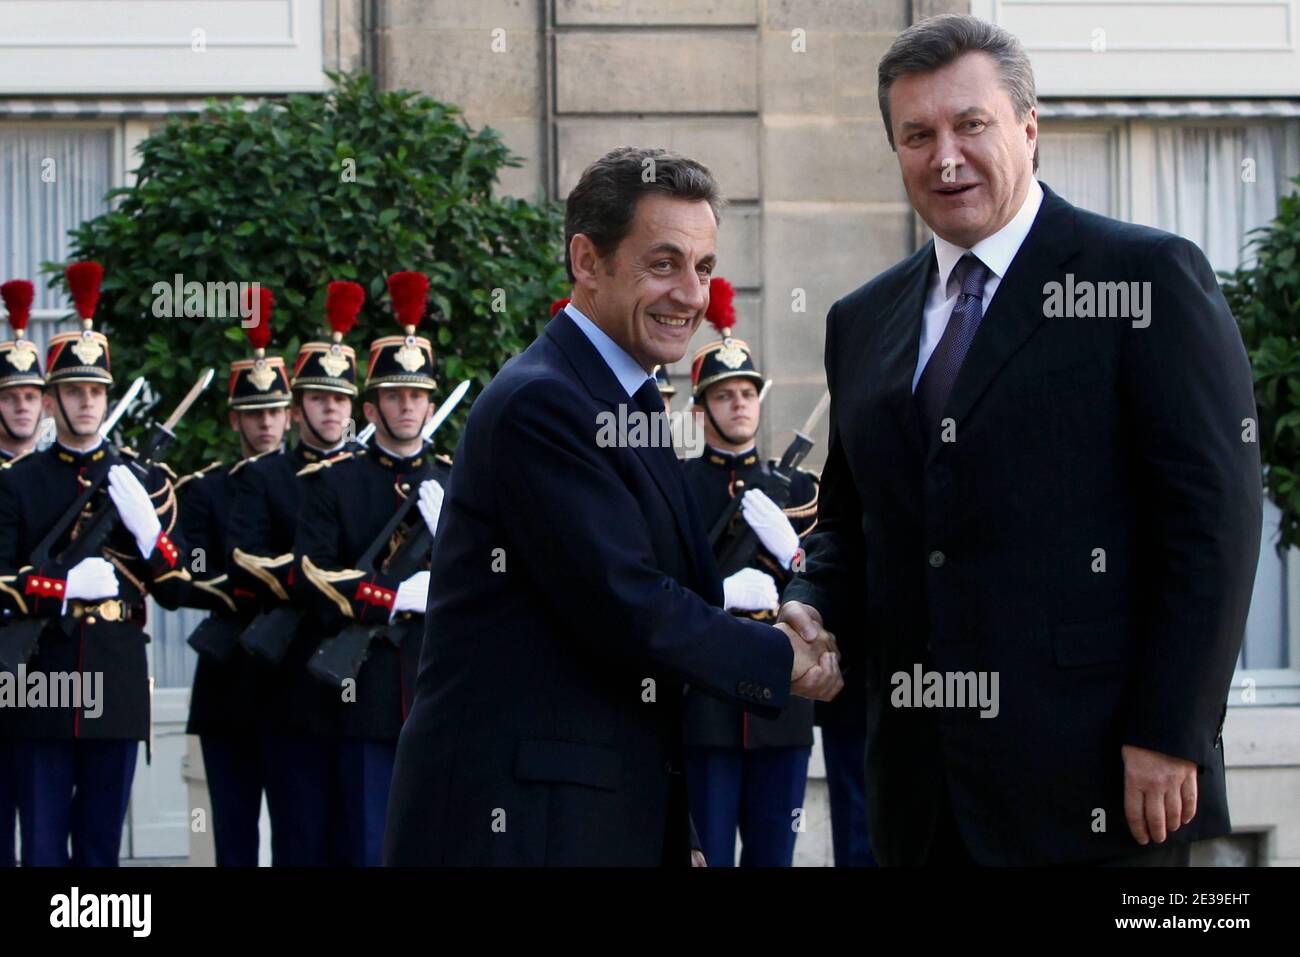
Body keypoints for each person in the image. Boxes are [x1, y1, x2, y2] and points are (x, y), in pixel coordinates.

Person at [779, 14, 1263, 866]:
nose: (945, 156)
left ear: (1028, 128)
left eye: (971, 124)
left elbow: (1212, 523)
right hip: (921, 797)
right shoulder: (860, 322)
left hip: (1103, 786)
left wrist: (1171, 730)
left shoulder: (1142, 278)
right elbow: (853, 523)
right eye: (917, 134)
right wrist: (812, 605)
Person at [385, 147, 842, 867]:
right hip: (523, 824)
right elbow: (626, 602)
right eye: (663, 263)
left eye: (704, 267)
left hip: (594, 810)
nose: (690, 294)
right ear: (587, 261)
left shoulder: (625, 393)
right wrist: (780, 656)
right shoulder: (545, 401)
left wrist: (674, 829)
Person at [0, 261, 190, 866]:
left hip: (114, 672)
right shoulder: (19, 483)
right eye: (74, 391)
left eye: (96, 391)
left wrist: (147, 527)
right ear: (52, 400)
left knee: (102, 845)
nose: (87, 402)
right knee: (45, 844)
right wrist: (58, 587)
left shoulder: (142, 478)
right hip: (41, 675)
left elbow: (174, 585)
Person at [294, 272, 449, 866]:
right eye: (393, 395)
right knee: (364, 843)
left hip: (436, 690)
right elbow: (312, 574)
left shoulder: (455, 483)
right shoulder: (337, 482)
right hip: (365, 692)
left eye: (416, 396)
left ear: (430, 404)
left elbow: (497, 580)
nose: (406, 406)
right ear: (371, 406)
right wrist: (393, 599)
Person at [680, 276, 819, 867]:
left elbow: (823, 589)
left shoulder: (801, 490)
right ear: (701, 407)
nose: (739, 403)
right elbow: (654, 587)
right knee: (704, 854)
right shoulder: (679, 488)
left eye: (747, 392)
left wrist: (793, 555)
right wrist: (717, 591)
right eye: (724, 394)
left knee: (773, 857)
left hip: (779, 706)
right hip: (706, 705)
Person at [227, 282, 361, 865]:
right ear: (298, 405)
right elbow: (249, 561)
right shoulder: (265, 477)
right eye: (318, 398)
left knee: (362, 839)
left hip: (364, 687)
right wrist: (329, 578)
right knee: (300, 840)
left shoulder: (369, 476)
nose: (330, 409)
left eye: (340, 400)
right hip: (292, 680)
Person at [178, 288, 293, 866]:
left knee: (302, 834)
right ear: (235, 418)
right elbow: (187, 570)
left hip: (293, 686)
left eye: (275, 411)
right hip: (227, 681)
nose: (267, 423)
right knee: (233, 839)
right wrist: (242, 583)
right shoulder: (206, 489)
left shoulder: (313, 484)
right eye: (255, 413)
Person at [0, 277, 45, 868]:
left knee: (44, 826)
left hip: (48, 673)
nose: (21, 406)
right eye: (10, 396)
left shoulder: (63, 479)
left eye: (31, 396)